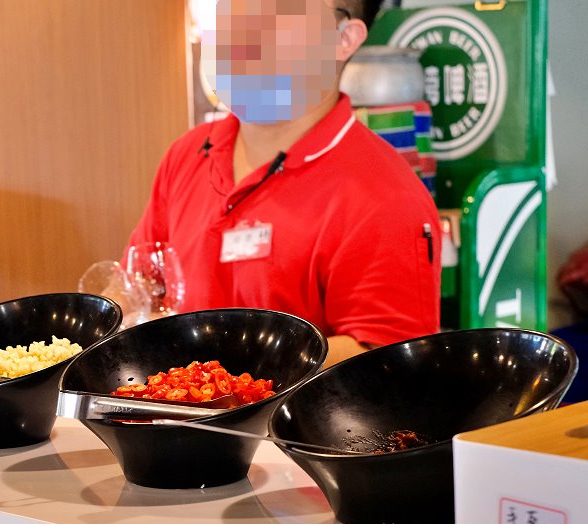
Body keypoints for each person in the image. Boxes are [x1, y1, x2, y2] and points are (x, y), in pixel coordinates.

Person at [129, 0, 440, 366]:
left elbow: (385, 362)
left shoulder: (385, 197)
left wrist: (228, 369)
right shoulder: (188, 154)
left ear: (343, 38)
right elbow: (137, 289)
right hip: (174, 401)